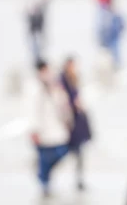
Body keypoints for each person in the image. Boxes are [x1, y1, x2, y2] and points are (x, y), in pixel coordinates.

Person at [28, 59, 73, 197]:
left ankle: (45, 175)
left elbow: (63, 104)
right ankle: (44, 182)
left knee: (61, 152)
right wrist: (34, 130)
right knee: (44, 158)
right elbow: (31, 110)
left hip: (57, 129)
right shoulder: (34, 88)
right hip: (43, 131)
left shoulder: (56, 87)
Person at [59, 57, 92, 191]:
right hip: (68, 123)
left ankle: (79, 179)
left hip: (77, 123)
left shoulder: (73, 79)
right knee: (63, 151)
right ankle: (45, 176)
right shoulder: (62, 81)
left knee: (79, 153)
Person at [95, 0, 125, 71]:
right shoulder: (108, 12)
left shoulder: (109, 13)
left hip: (111, 42)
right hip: (108, 42)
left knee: (113, 60)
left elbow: (104, 28)